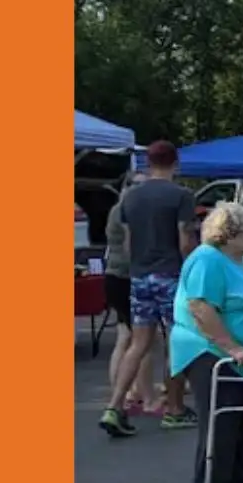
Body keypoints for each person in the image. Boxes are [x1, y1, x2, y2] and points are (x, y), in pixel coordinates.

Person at [170, 202, 243, 483]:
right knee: (223, 414)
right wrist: (232, 347)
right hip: (210, 350)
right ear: (228, 234)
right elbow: (201, 307)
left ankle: (238, 472)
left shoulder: (241, 259)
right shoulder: (207, 259)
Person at [100, 140, 198, 437]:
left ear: (147, 163)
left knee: (139, 342)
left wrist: (140, 267)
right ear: (175, 163)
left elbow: (128, 244)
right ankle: (175, 409)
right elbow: (184, 240)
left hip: (140, 275)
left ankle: (115, 406)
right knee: (175, 341)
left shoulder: (130, 198)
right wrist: (193, 267)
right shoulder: (182, 195)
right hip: (171, 274)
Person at [105, 174, 155, 416]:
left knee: (125, 337)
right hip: (126, 277)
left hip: (115, 276)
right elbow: (131, 246)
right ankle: (143, 397)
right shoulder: (127, 210)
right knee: (141, 341)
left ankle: (126, 394)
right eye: (138, 185)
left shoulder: (118, 208)